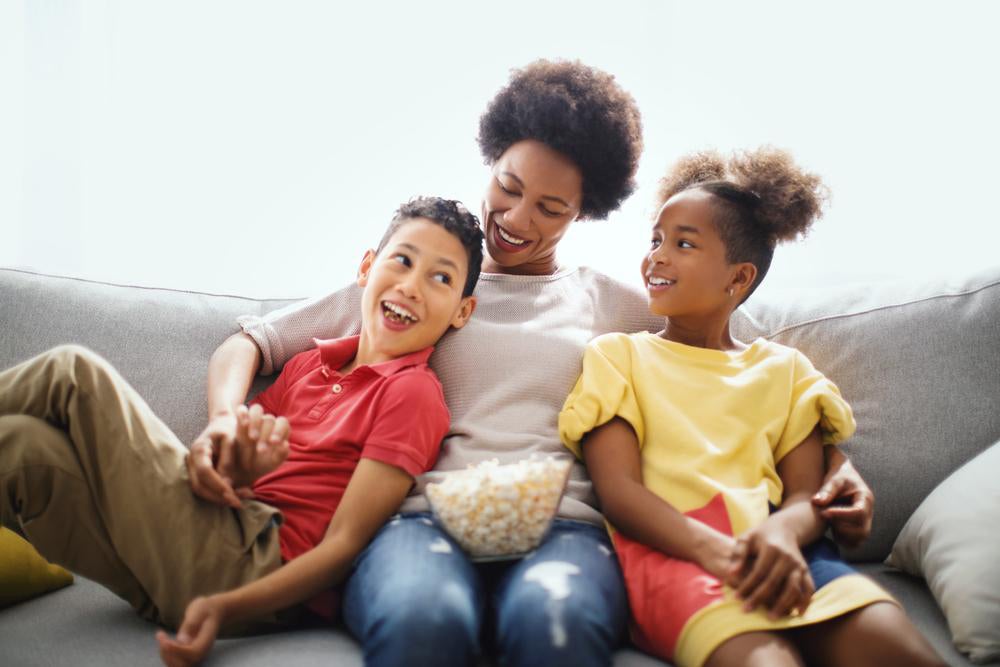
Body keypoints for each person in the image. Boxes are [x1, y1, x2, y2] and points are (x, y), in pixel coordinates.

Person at [204, 60, 876, 667]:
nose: (517, 218)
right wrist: (226, 421)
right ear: (491, 160)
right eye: (508, 186)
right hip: (418, 521)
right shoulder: (424, 281)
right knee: (420, 621)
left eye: (551, 207)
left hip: (567, 529)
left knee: (553, 624)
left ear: (585, 212)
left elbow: (741, 365)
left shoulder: (612, 303)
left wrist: (840, 471)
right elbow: (252, 342)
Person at [0, 197, 483, 667]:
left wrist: (226, 608)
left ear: (462, 311)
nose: (412, 286)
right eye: (403, 261)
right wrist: (230, 462)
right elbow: (236, 469)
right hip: (193, 551)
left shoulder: (412, 393)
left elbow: (344, 545)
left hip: (253, 566)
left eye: (441, 278)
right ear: (366, 268)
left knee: (74, 370)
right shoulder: (308, 366)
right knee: (24, 450)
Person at [558, 148, 944, 667]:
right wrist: (723, 554)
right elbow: (619, 492)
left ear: (737, 279)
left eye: (683, 244)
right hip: (679, 562)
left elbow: (806, 491)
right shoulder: (619, 356)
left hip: (787, 554)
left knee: (895, 646)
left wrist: (781, 534)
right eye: (656, 240)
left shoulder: (786, 371)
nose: (658, 256)